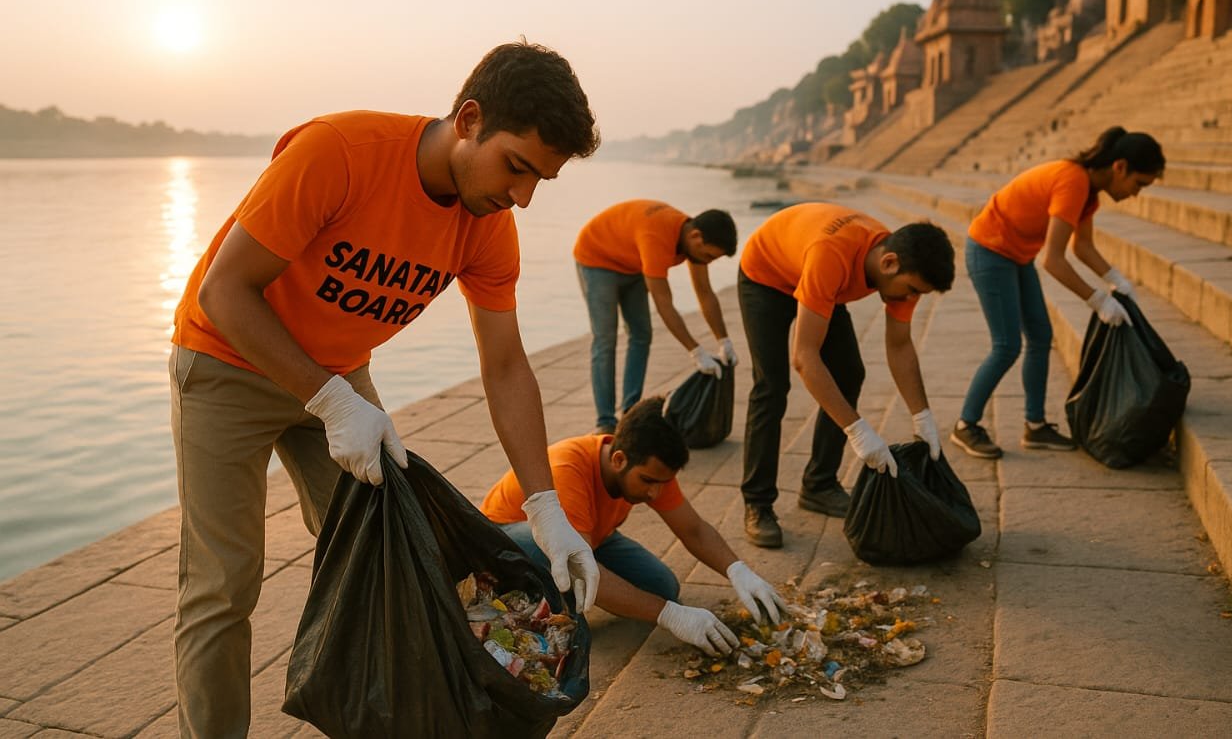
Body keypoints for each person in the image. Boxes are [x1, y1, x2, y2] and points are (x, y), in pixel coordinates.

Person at [168, 41, 603, 737]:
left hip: (336, 370)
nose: (519, 196)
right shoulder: (341, 151)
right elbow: (225, 290)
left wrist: (547, 505)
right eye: (516, 166)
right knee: (223, 586)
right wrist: (335, 401)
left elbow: (505, 364)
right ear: (469, 119)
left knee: (398, 554)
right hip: (227, 360)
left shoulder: (487, 224)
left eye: (538, 182)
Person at [481, 397, 787, 655]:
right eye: (648, 482)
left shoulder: (652, 470)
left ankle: (564, 593)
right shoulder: (568, 470)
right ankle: (532, 597)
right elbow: (579, 570)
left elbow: (693, 529)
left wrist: (738, 571)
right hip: (510, 542)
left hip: (589, 539)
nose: (654, 493)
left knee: (662, 588)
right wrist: (669, 616)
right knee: (582, 587)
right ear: (618, 460)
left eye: (662, 483)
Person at [736, 204, 955, 548]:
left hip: (815, 276)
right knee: (772, 386)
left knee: (849, 373)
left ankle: (819, 485)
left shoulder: (902, 268)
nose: (912, 299)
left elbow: (899, 346)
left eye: (919, 294)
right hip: (766, 275)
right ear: (888, 263)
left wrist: (922, 416)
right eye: (911, 290)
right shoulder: (832, 255)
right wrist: (858, 432)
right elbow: (804, 357)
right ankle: (758, 504)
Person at [950, 126, 1166, 460]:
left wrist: (1115, 279)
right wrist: (1098, 300)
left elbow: (1082, 246)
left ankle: (1035, 426)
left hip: (1016, 254)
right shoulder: (1073, 181)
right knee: (1006, 346)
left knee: (1040, 336)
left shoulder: (1089, 193)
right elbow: (1053, 259)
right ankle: (966, 424)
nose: (1137, 194)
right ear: (1120, 167)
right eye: (1139, 184)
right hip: (989, 251)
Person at [573, 200, 739, 434]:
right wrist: (696, 352)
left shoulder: (693, 242)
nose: (707, 261)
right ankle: (606, 422)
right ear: (696, 236)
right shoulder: (656, 237)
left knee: (641, 335)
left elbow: (705, 292)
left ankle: (631, 413)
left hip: (633, 262)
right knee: (605, 339)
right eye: (709, 256)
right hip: (597, 260)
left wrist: (724, 341)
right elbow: (664, 303)